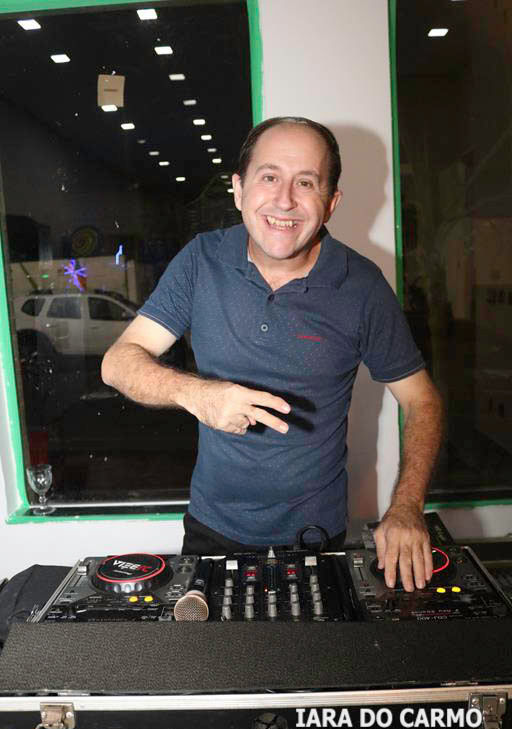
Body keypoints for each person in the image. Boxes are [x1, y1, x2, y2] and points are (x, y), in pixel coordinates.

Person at [101, 116, 443, 593]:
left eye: (306, 182)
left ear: (331, 202)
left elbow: (421, 400)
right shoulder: (201, 260)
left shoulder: (363, 286)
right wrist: (196, 394)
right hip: (210, 530)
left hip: (315, 537)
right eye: (269, 177)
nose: (285, 200)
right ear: (239, 189)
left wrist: (406, 508)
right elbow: (118, 362)